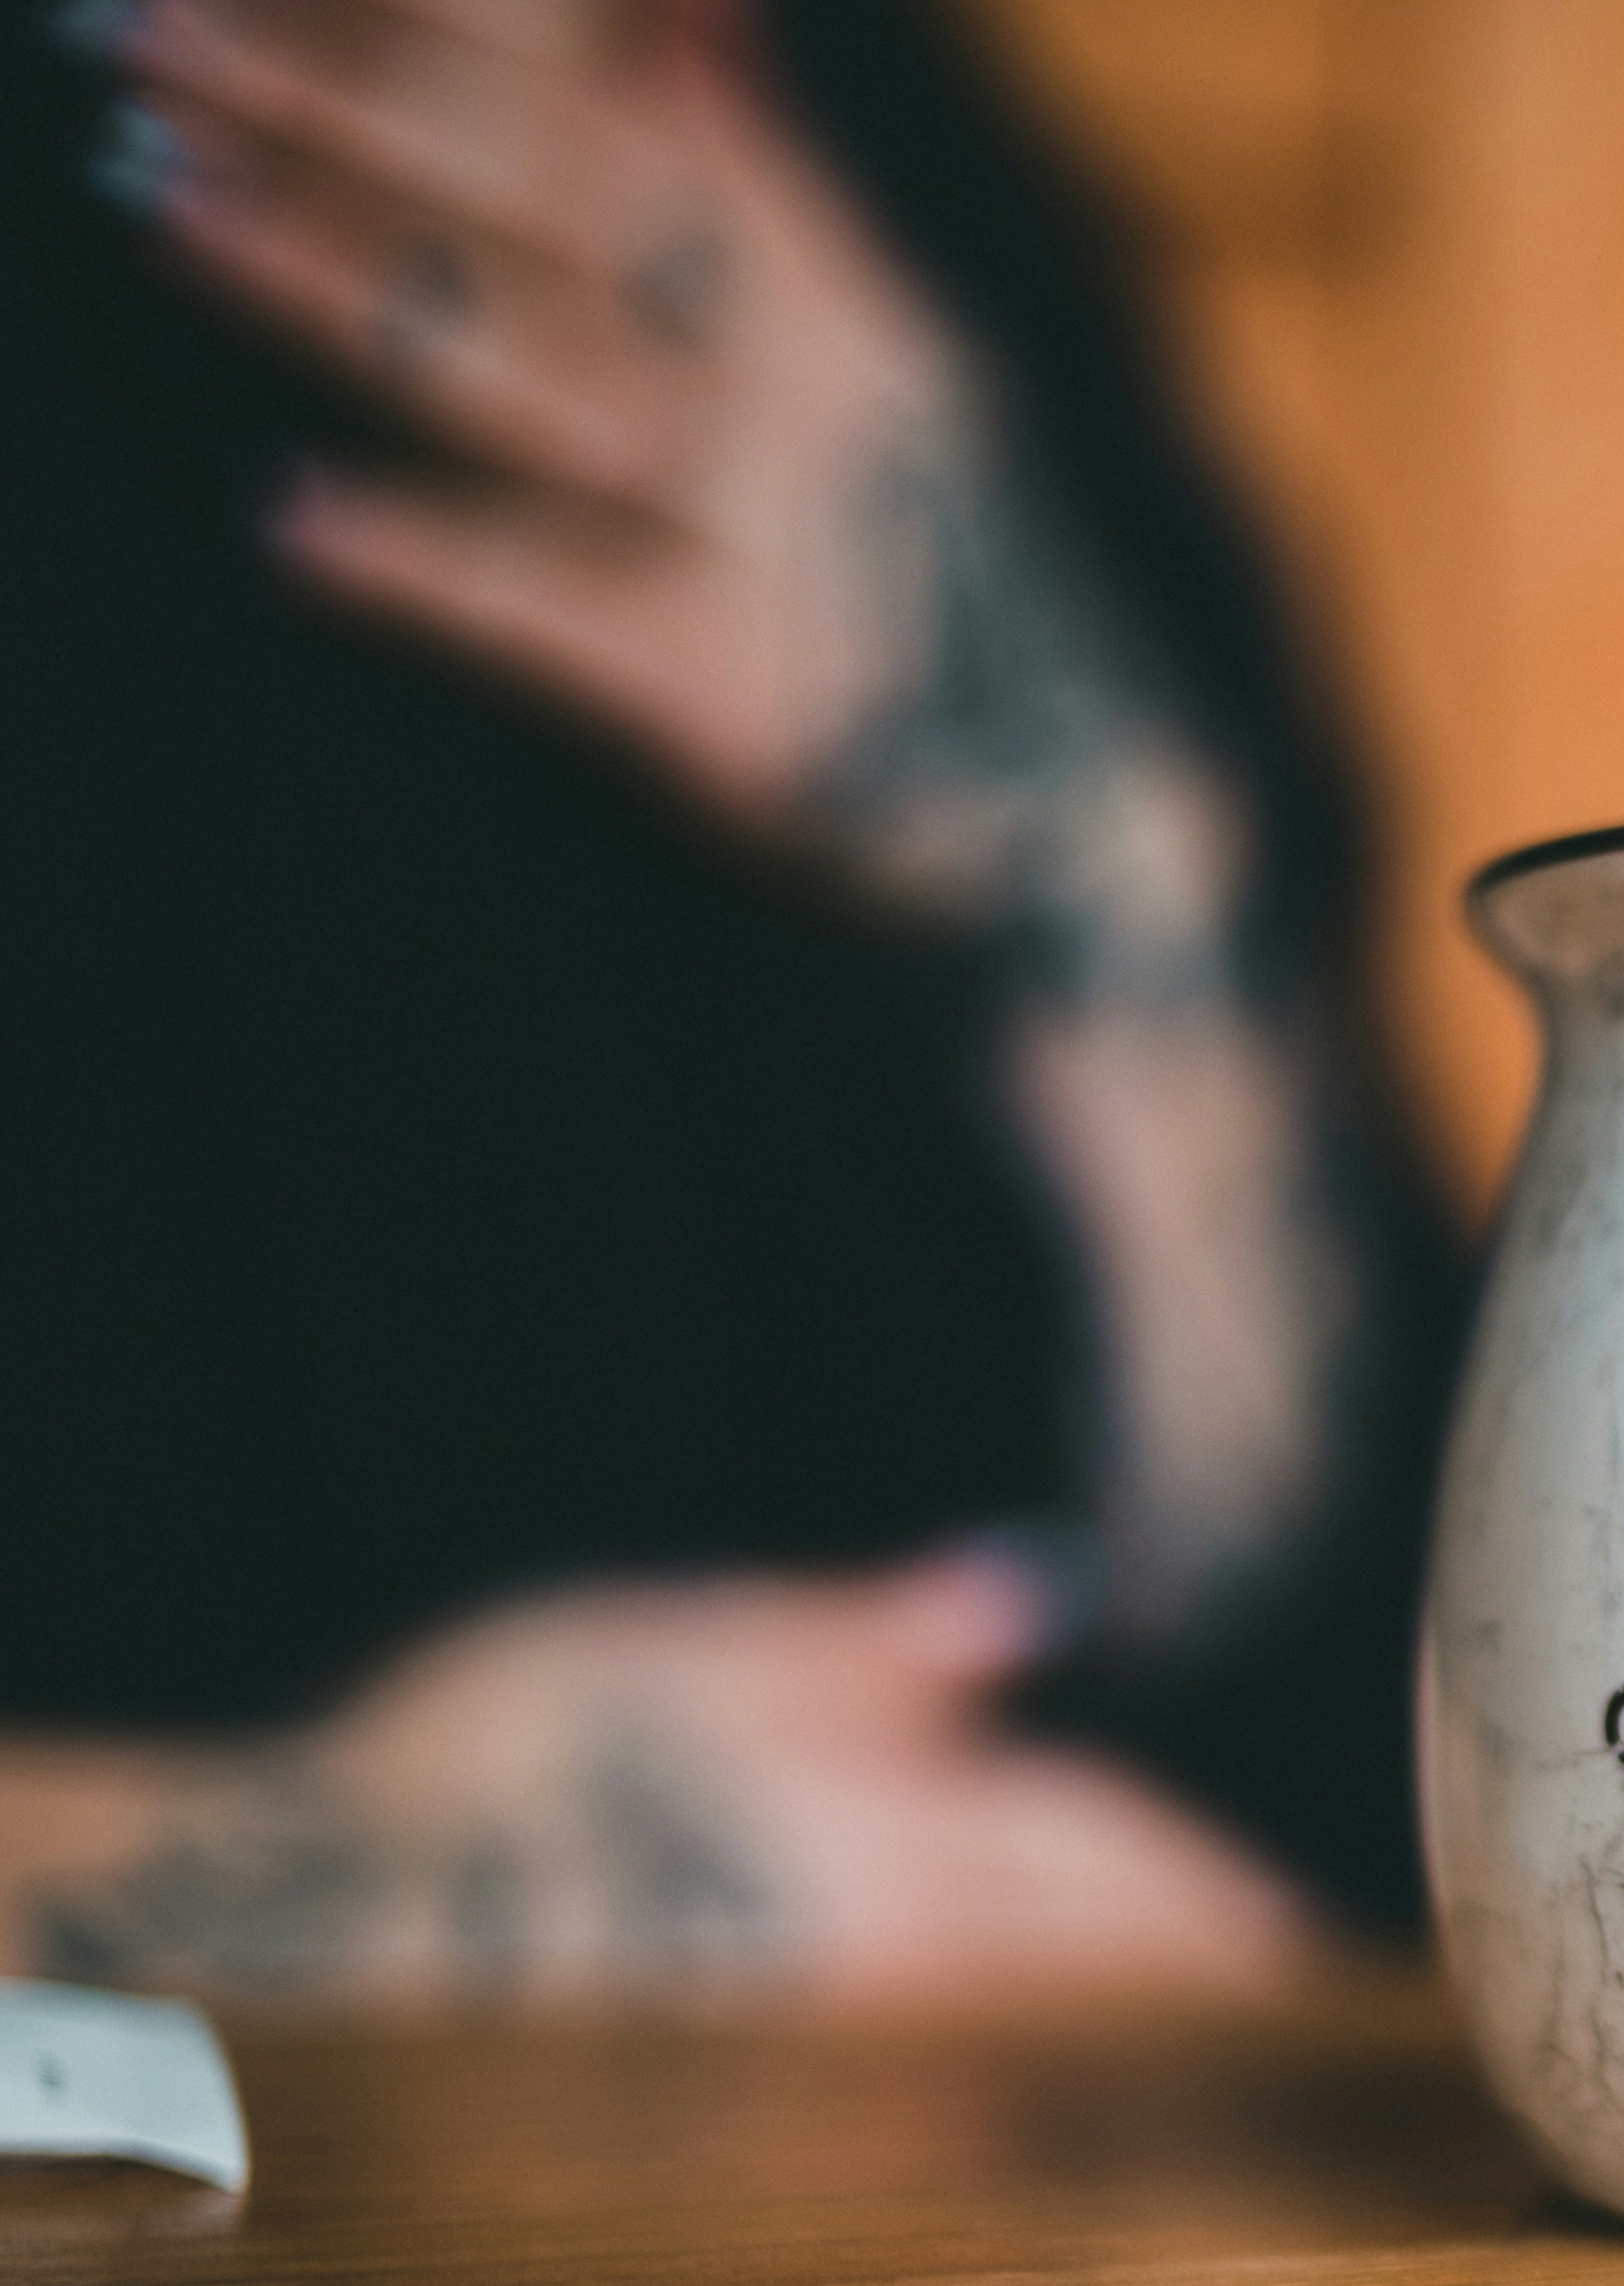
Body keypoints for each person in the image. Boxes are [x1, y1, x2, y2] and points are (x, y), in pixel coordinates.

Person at [0, 0, 1463, 2007]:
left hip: (1099, 2237)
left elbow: (1393, 1666)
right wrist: (333, 1881)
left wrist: (1079, 861)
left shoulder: (872, 179)